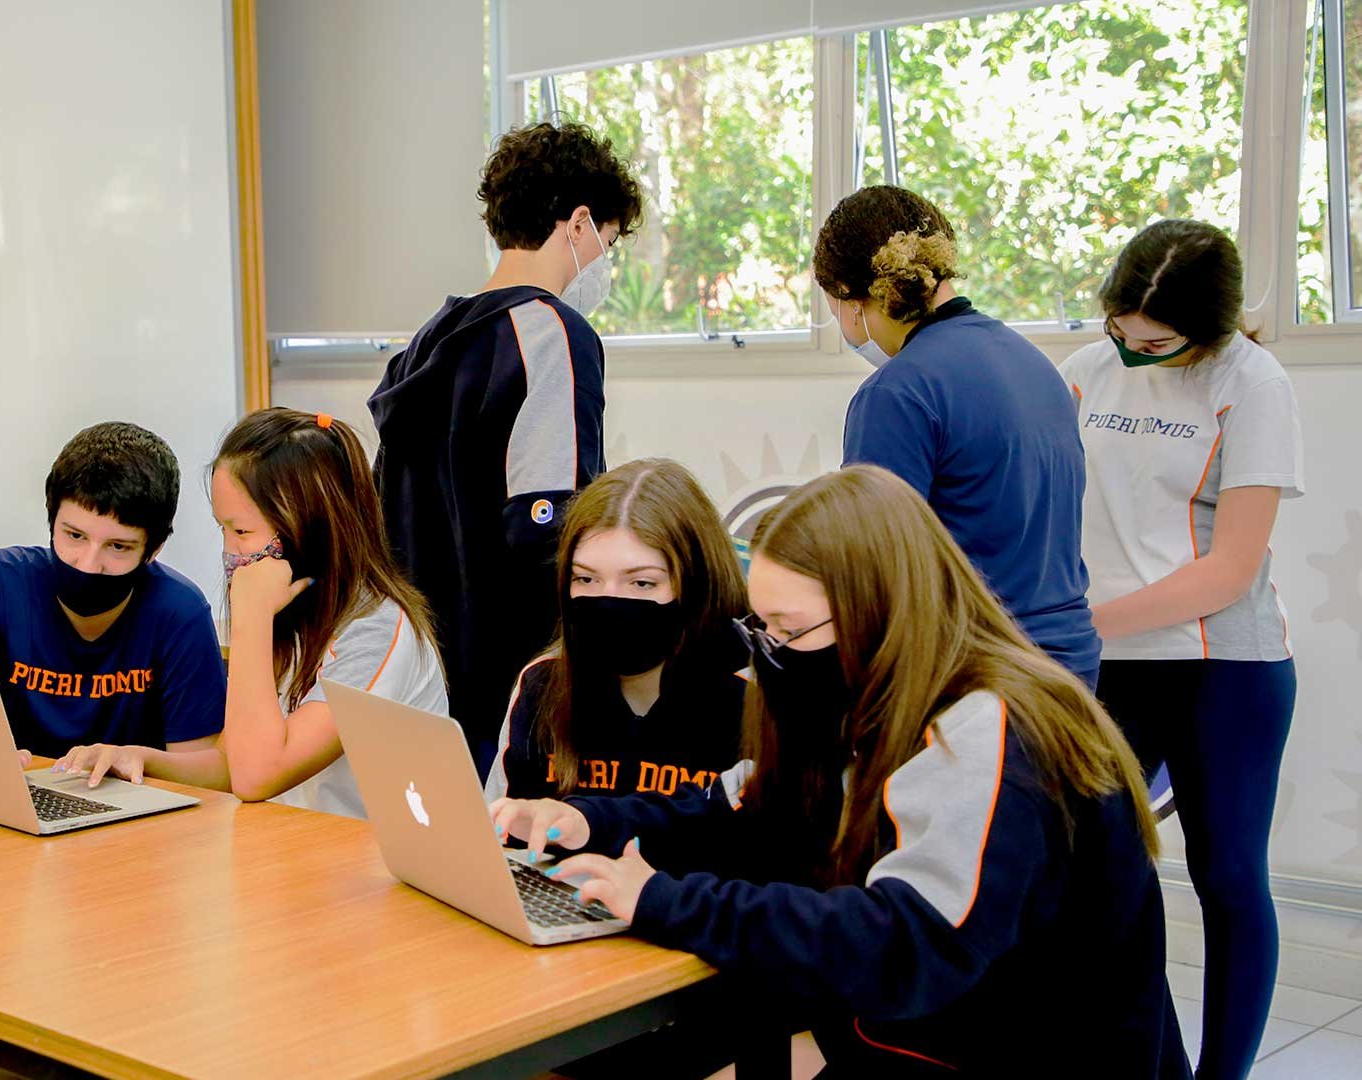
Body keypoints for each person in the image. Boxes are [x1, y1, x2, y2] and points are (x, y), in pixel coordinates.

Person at [493, 466, 1186, 1077]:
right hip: (906, 1033)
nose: (773, 652)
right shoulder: (870, 696)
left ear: (875, 612)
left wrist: (666, 902)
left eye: (790, 632)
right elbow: (741, 805)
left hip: (1005, 1050)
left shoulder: (989, 729)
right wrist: (590, 818)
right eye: (764, 629)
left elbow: (905, 942)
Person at [1061, 220, 1302, 1080]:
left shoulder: (1253, 383)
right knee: (1097, 870)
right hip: (1111, 665)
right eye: (1118, 333)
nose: (1131, 354)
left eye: (1155, 344)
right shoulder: (1087, 373)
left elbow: (1230, 570)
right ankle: (1149, 1063)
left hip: (1223, 669)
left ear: (1209, 330)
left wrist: (1083, 624)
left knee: (1229, 877)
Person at [369, 120, 643, 776]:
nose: (602, 261)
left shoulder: (426, 342)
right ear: (578, 223)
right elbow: (550, 528)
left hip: (421, 671)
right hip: (510, 683)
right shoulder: (552, 332)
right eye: (606, 241)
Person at [819, 185, 1100, 688]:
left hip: (975, 673)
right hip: (1069, 670)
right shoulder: (1035, 365)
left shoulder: (897, 393)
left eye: (834, 307)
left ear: (852, 296)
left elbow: (872, 572)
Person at [0, 423, 228, 788]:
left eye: (118, 547)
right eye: (74, 536)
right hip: (12, 799)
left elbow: (208, 776)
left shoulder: (180, 612)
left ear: (153, 550)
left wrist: (138, 758)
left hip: (134, 818)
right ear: (51, 521)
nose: (89, 564)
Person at [215, 408, 447, 817]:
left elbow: (255, 776)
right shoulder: (292, 612)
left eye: (242, 532)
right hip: (295, 849)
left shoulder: (375, 631)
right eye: (223, 530)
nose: (231, 552)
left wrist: (251, 617)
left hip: (368, 864)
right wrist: (141, 766)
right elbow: (233, 759)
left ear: (306, 528)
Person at [484, 459, 750, 804]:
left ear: (695, 582)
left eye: (642, 582)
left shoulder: (754, 696)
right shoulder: (542, 684)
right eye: (586, 579)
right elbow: (501, 829)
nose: (610, 601)